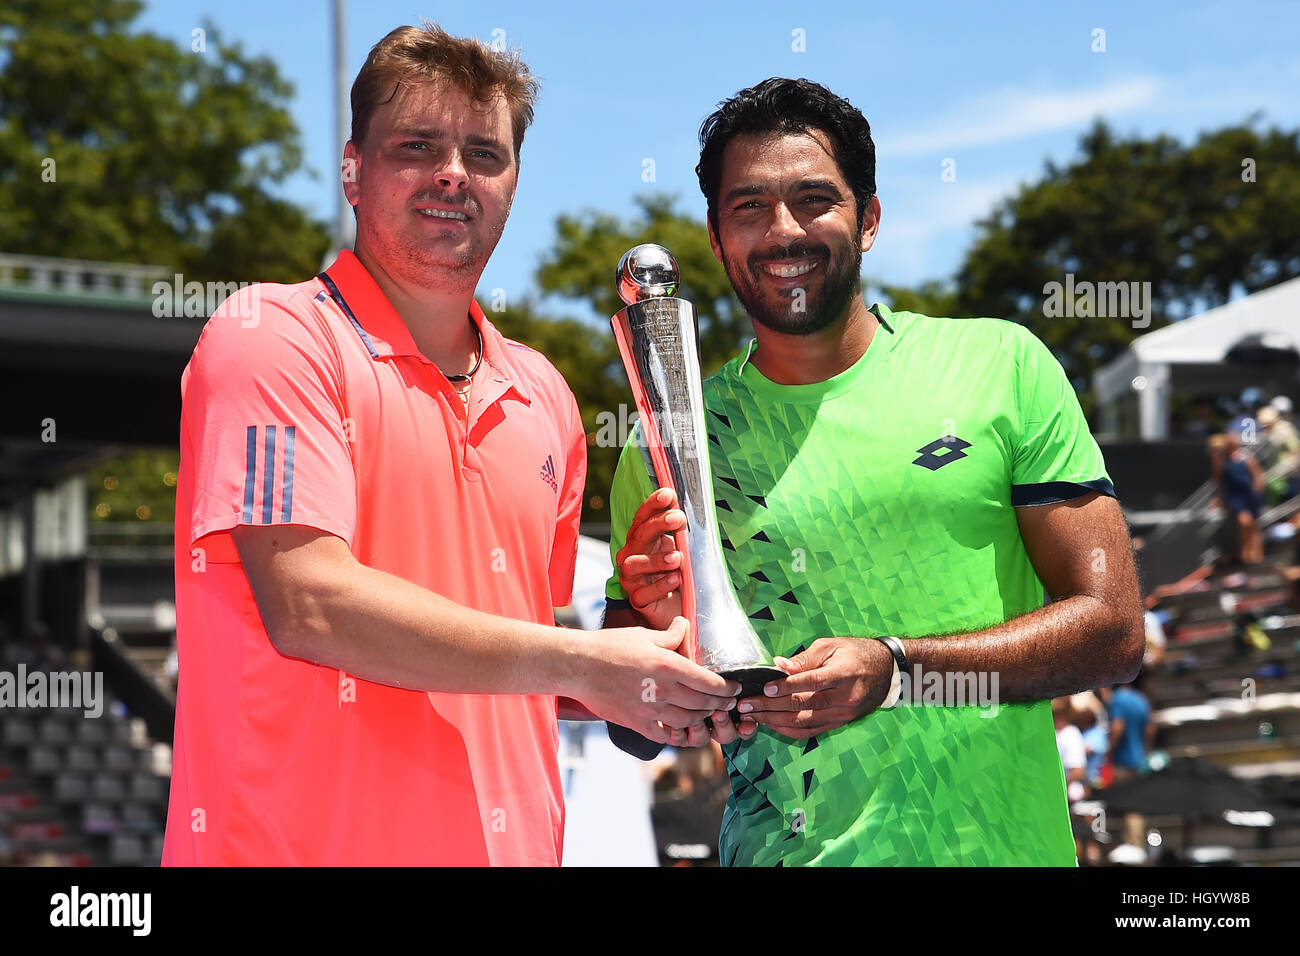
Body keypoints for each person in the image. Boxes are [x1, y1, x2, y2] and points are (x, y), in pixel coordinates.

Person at [162, 23, 739, 867]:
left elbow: (512, 661)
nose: (453, 174)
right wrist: (585, 660)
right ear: (353, 170)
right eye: (417, 145)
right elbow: (309, 603)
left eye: (484, 152)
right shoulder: (273, 337)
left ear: (513, 183)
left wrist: (639, 651)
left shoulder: (544, 395)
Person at [603, 78, 1145, 865]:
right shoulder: (669, 438)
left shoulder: (999, 366)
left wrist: (899, 670)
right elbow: (630, 731)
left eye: (814, 199)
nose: (782, 231)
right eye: (748, 206)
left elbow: (1114, 630)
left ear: (870, 219)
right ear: (717, 238)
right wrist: (656, 632)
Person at [1209, 430, 1265, 564]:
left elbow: (1257, 473)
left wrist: (1258, 488)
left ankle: (1256, 551)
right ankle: (1244, 551)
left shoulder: (1245, 456)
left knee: (1254, 525)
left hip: (1249, 494)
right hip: (1235, 496)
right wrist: (1217, 497)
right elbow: (1217, 480)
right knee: (1244, 521)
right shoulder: (1221, 459)